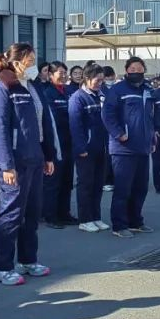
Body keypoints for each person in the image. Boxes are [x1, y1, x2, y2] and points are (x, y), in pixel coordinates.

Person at [0, 43, 54, 286]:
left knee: (32, 212)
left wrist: (48, 155)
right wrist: (5, 165)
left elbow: (43, 123)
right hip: (14, 162)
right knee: (11, 214)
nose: (33, 65)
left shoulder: (31, 87)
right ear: (15, 63)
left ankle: (28, 260)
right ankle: (3, 267)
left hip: (34, 158)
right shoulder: (2, 88)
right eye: (29, 60)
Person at [101, 57, 156, 238]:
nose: (136, 72)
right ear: (126, 71)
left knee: (140, 188)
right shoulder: (118, 90)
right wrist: (119, 134)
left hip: (143, 147)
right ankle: (119, 225)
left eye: (139, 69)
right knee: (123, 189)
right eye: (132, 69)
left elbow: (150, 116)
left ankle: (135, 221)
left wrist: (152, 138)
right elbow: (108, 115)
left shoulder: (148, 90)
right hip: (123, 148)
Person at [68, 63, 110, 233]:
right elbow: (75, 125)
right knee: (86, 184)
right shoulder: (78, 98)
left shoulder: (101, 95)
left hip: (101, 147)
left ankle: (96, 216)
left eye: (102, 80)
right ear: (87, 78)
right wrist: (80, 147)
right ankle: (85, 219)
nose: (100, 83)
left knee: (98, 183)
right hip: (86, 149)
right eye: (97, 79)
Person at [40, 61, 75, 229]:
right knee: (53, 182)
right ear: (51, 75)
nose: (63, 75)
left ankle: (64, 213)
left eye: (64, 72)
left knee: (67, 181)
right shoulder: (47, 94)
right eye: (59, 73)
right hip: (55, 143)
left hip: (70, 142)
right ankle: (50, 216)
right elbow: (51, 120)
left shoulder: (69, 91)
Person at [101, 65, 117, 192]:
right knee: (106, 154)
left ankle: (115, 178)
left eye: (111, 76)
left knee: (115, 154)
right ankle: (106, 180)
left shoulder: (117, 89)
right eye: (107, 77)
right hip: (103, 127)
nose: (109, 79)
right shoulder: (100, 90)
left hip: (116, 126)